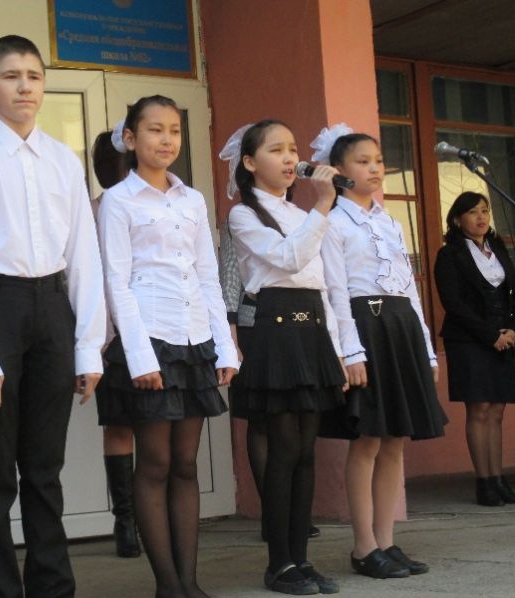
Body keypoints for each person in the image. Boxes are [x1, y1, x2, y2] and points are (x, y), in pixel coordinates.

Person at [0, 35, 106, 597]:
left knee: (44, 468)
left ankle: (53, 588)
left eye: (34, 75)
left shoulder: (63, 161)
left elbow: (83, 256)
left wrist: (88, 347)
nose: (25, 86)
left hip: (53, 310)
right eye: (11, 76)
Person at [97, 95, 238, 598]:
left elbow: (207, 276)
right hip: (149, 340)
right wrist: (139, 357)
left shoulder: (192, 199)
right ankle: (168, 586)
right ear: (131, 139)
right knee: (154, 464)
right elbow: (116, 283)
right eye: (154, 130)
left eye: (174, 130)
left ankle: (189, 583)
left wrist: (224, 347)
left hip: (193, 340)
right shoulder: (118, 201)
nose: (166, 140)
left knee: (185, 464)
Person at [318, 124, 448, 580]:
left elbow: (409, 290)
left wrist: (427, 350)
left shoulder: (390, 222)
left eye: (378, 161)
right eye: (362, 161)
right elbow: (335, 291)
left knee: (395, 440)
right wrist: (350, 351)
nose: (374, 169)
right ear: (339, 170)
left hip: (401, 329)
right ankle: (364, 546)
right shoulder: (333, 222)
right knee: (368, 439)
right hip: (365, 330)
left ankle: (387, 541)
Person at [224, 120, 346, 595]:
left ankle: (302, 559)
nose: (290, 157)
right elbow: (289, 260)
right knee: (283, 448)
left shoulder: (301, 212)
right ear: (250, 162)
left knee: (306, 451)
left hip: (311, 326)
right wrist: (323, 205)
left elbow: (321, 282)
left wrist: (337, 348)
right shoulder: (243, 215)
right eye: (276, 149)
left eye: (293, 148)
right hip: (274, 329)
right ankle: (279, 563)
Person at [218, 199, 321, 542]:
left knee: (300, 424)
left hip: (300, 325)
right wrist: (231, 335)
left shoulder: (299, 216)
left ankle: (294, 514)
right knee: (262, 419)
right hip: (253, 324)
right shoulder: (242, 215)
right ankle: (272, 513)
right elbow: (229, 277)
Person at [435, 191, 515, 506]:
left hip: (504, 339)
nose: (481, 217)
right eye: (472, 212)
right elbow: (453, 303)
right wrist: (489, 335)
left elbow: (514, 292)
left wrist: (513, 330)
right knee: (479, 408)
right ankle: (484, 482)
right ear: (458, 220)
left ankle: (498, 480)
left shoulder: (498, 248)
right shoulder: (450, 254)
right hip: (469, 340)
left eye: (484, 210)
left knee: (497, 410)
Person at [91, 129, 140, 557]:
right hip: (114, 336)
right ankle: (127, 520)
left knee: (150, 429)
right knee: (122, 424)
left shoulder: (156, 204)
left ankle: (140, 517)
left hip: (158, 328)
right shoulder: (95, 210)